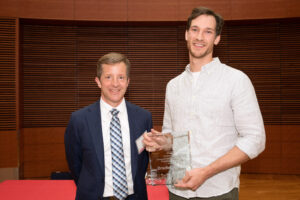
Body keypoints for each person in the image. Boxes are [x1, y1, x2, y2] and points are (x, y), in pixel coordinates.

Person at [143, 6, 266, 200]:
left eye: (208, 31)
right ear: (186, 34)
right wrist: (161, 141)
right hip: (177, 189)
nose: (200, 37)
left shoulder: (236, 80)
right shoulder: (173, 86)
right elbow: (173, 135)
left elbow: (255, 139)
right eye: (195, 29)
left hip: (218, 191)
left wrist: (207, 171)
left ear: (217, 38)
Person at [65, 52, 152, 200]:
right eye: (108, 77)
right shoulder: (79, 120)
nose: (115, 84)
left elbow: (143, 161)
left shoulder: (143, 117)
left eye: (121, 77)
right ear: (98, 81)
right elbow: (75, 163)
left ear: (128, 81)